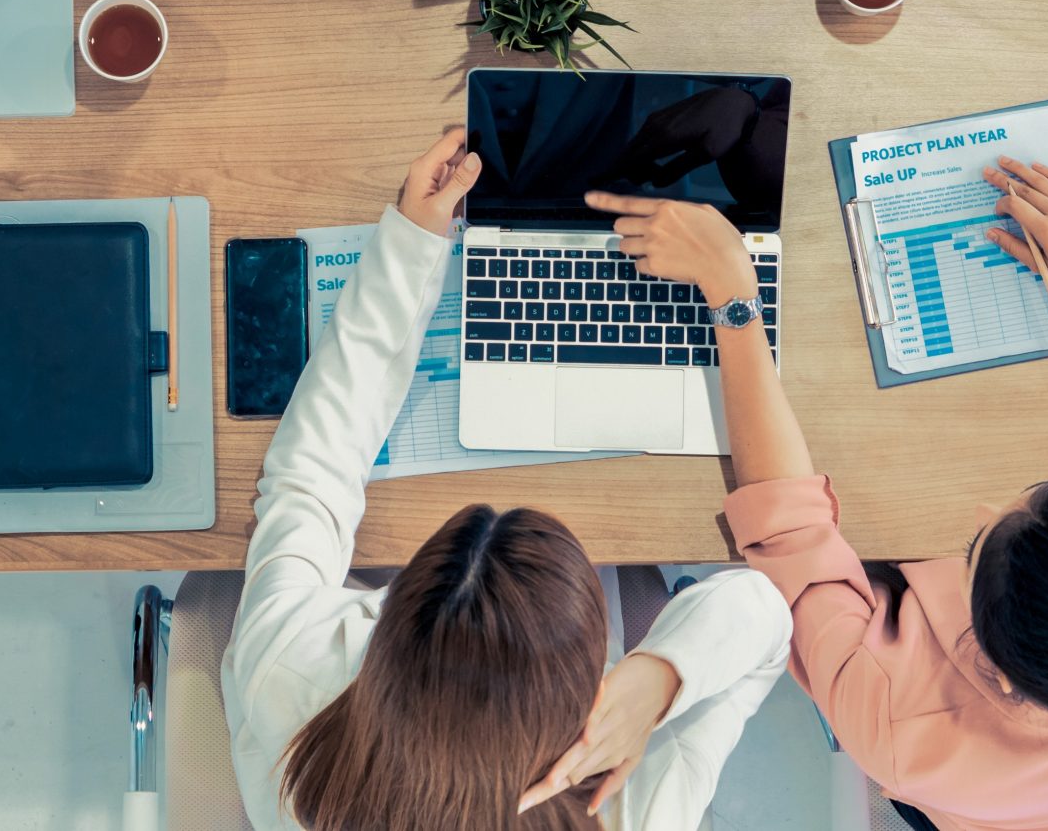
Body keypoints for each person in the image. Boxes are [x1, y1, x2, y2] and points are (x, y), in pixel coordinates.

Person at [590, 156, 1048, 830]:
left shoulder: (891, 717)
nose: (988, 510)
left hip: (966, 801)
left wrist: (733, 297)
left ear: (1000, 670)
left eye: (978, 545)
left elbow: (789, 536)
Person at [224, 126, 792, 830]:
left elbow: (308, 479)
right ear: (587, 700)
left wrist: (411, 245)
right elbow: (765, 610)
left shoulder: (286, 672)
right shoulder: (631, 807)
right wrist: (659, 679)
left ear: (394, 640)